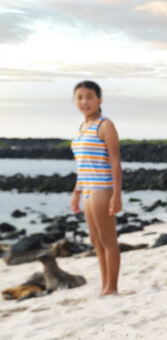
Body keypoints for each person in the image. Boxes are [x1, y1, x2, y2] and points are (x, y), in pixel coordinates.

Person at [70, 80, 122, 296]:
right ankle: (104, 285)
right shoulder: (81, 128)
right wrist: (76, 193)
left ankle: (112, 287)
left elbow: (115, 162)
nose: (85, 102)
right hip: (87, 190)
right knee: (96, 241)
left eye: (89, 97)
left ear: (99, 100)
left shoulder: (105, 125)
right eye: (80, 97)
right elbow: (83, 165)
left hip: (102, 189)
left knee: (108, 240)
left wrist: (117, 196)